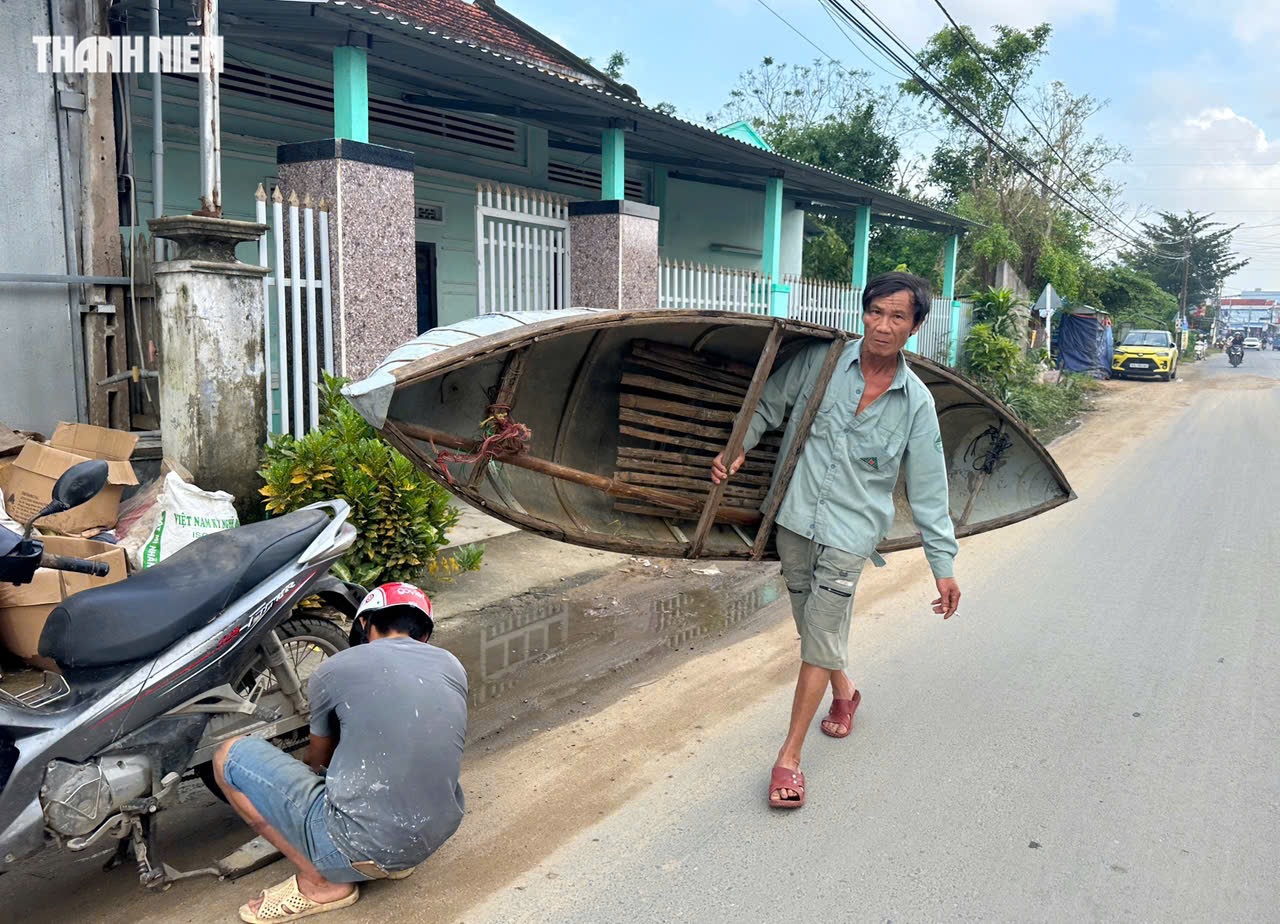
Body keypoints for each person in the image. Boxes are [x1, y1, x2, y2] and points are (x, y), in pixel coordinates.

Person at [711, 271, 961, 810]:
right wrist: (739, 447)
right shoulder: (822, 363)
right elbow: (767, 405)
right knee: (811, 625)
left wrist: (943, 565)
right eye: (876, 312)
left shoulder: (916, 403)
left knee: (820, 633)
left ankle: (790, 757)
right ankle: (845, 693)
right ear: (863, 312)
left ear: (914, 327)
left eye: (898, 317)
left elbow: (929, 489)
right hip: (795, 519)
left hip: (852, 535)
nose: (883, 325)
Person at [214, 582, 468, 922]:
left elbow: (318, 760)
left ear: (364, 623)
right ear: (423, 633)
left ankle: (320, 882)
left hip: (362, 848)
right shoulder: (452, 665)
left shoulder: (335, 669)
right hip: (431, 838)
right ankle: (389, 860)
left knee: (229, 755)